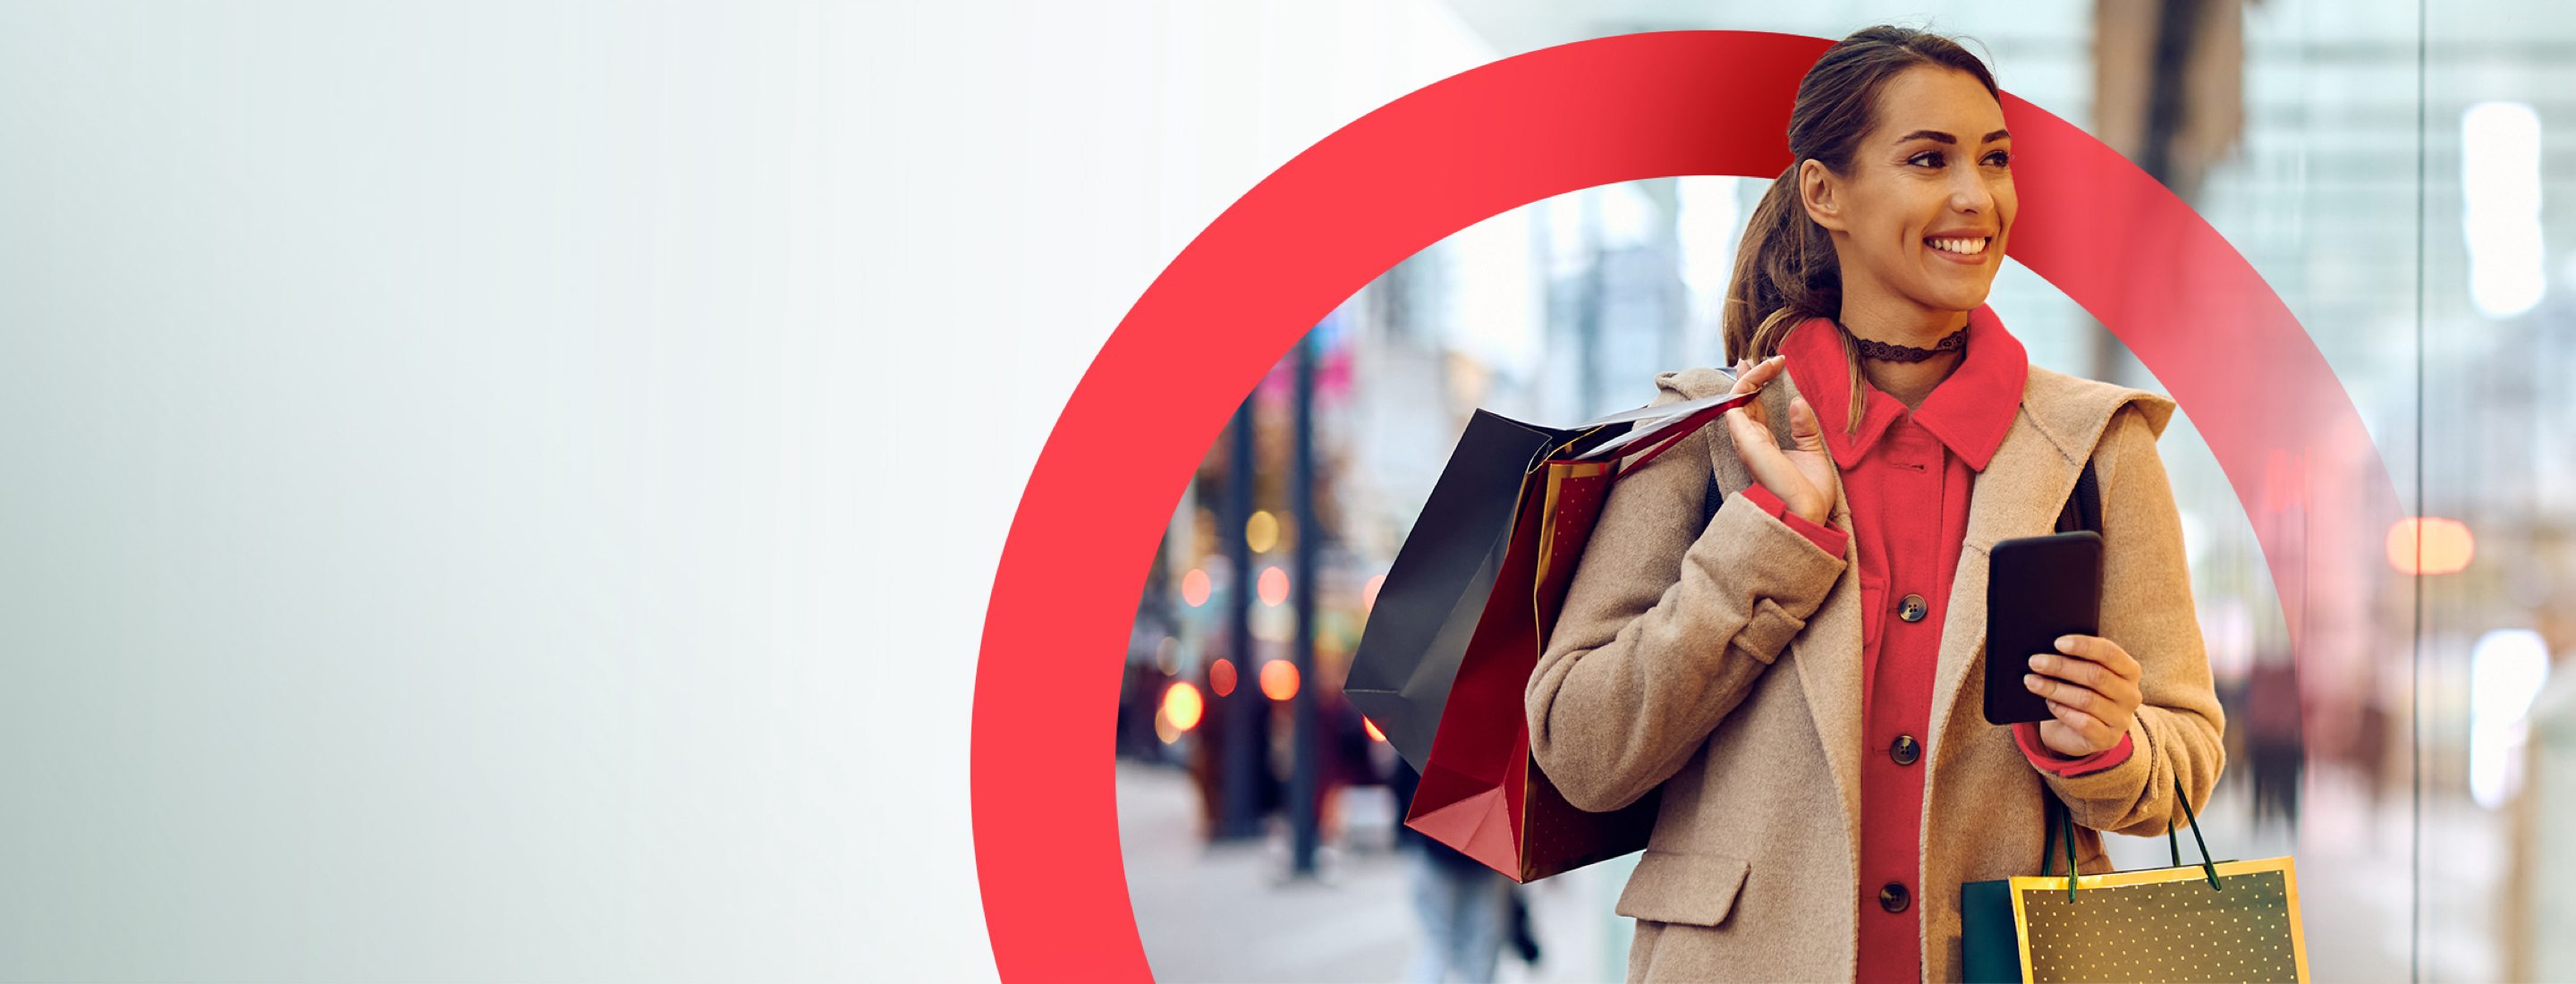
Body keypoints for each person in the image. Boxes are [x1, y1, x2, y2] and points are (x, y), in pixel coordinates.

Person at [1522, 25, 2224, 983]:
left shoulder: (2100, 447)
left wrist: (2110, 742)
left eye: (1996, 159)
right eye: (1929, 159)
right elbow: (1582, 748)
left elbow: (2184, 752)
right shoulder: (1709, 433)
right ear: (1825, 193)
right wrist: (1768, 542)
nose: (1976, 196)